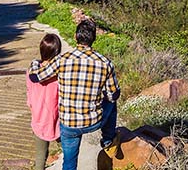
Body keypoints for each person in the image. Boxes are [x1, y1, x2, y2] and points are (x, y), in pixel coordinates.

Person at [28, 19, 120, 170]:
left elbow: (35, 77)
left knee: (69, 163)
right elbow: (113, 95)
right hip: (93, 122)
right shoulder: (105, 63)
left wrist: (35, 63)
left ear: (75, 36)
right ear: (94, 38)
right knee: (111, 102)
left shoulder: (62, 60)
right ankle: (108, 140)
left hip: (69, 124)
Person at [26, 33, 62, 170]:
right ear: (57, 52)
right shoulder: (58, 75)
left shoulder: (31, 71)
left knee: (40, 157)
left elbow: (29, 97)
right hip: (57, 120)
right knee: (68, 151)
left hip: (38, 119)